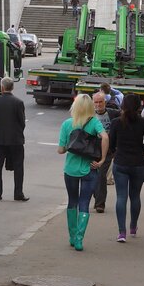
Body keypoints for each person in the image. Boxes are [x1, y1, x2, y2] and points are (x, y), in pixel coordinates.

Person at [58, 94, 108, 251]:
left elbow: (61, 150)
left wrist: (68, 146)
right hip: (90, 168)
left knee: (72, 201)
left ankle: (72, 237)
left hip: (71, 170)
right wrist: (102, 159)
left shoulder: (67, 124)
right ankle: (79, 239)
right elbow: (105, 137)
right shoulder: (94, 122)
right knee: (84, 203)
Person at [109, 95, 144, 242]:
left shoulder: (116, 123)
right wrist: (139, 148)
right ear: (138, 107)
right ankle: (133, 226)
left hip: (121, 162)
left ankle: (122, 232)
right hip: (138, 163)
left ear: (122, 106)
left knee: (121, 197)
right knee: (135, 196)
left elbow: (110, 144)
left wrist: (117, 151)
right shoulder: (143, 123)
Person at [0, 77, 28, 202]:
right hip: (15, 140)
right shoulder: (18, 102)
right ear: (12, 87)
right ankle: (18, 193)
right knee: (18, 167)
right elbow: (22, 122)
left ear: (2, 87)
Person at [90, 92, 120, 214]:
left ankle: (100, 204)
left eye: (100, 102)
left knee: (101, 174)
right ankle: (97, 197)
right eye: (96, 102)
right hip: (92, 149)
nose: (98, 104)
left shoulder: (113, 114)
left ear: (105, 102)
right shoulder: (90, 116)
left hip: (108, 149)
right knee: (92, 175)